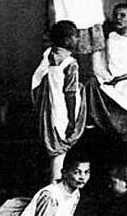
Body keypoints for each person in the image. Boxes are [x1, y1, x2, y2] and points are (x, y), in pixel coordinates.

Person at [87, 3, 127, 163]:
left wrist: (121, 79)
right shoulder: (110, 38)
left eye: (123, 15)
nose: (118, 19)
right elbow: (103, 62)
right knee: (92, 84)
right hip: (113, 81)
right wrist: (109, 79)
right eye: (116, 15)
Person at [32, 21, 87, 184]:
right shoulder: (70, 64)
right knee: (59, 154)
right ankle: (54, 186)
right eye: (76, 36)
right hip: (61, 109)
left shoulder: (48, 55)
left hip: (48, 110)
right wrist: (72, 120)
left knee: (55, 154)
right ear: (67, 40)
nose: (78, 39)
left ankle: (54, 183)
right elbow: (70, 94)